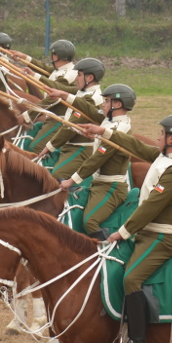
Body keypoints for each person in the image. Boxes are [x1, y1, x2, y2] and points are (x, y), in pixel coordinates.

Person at [80, 114, 172, 343]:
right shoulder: (164, 157)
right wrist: (103, 131)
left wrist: (122, 232)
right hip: (148, 233)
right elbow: (135, 146)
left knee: (131, 278)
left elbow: (150, 208)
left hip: (161, 237)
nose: (157, 137)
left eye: (161, 133)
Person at [59, 83, 135, 237]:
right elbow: (87, 109)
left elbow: (97, 159)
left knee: (90, 221)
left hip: (111, 187)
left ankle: (108, 254)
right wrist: (64, 95)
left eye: (107, 101)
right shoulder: (109, 121)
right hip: (98, 182)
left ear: (118, 104)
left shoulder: (119, 129)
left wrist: (71, 181)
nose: (103, 104)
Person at [38, 58, 106, 179]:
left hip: (81, 149)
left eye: (79, 75)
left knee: (56, 176)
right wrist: (36, 77)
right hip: (71, 146)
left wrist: (48, 147)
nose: (75, 78)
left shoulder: (91, 98)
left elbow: (70, 127)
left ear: (89, 78)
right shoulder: (83, 91)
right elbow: (61, 89)